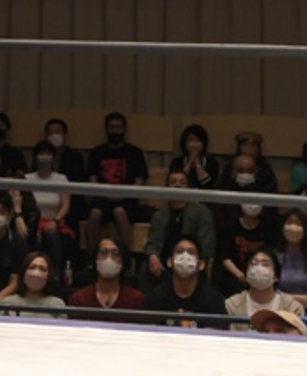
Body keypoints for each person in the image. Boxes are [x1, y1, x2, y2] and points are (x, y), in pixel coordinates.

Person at [140, 169, 215, 289]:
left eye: (182, 182)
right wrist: (153, 256)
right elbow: (153, 242)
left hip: (191, 261)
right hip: (164, 265)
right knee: (146, 268)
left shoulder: (202, 212)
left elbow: (206, 245)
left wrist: (193, 260)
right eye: (173, 182)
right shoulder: (159, 215)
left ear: (188, 188)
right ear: (167, 188)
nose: (178, 185)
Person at [85, 111, 148, 251]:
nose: (115, 131)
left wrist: (122, 195)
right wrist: (106, 195)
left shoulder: (135, 153)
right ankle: (91, 259)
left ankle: (125, 258)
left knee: (119, 212)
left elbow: (139, 182)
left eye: (118, 127)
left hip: (127, 201)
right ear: (106, 129)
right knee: (95, 214)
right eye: (112, 127)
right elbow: (92, 181)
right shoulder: (96, 153)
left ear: (124, 130)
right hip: (101, 199)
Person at [144, 235, 227, 328]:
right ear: (169, 262)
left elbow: (219, 332)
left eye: (191, 252)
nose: (185, 256)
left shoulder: (213, 300)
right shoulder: (155, 297)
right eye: (179, 251)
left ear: (201, 264)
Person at [223, 246, 305, 330]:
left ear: (276, 276)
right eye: (253, 264)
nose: (259, 268)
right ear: (246, 274)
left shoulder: (292, 307)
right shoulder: (232, 305)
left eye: (265, 264)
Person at [25, 139, 74, 277]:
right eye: (41, 154)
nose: (44, 157)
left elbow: (65, 205)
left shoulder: (61, 179)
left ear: (53, 158)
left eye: (48, 154)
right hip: (32, 223)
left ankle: (55, 276)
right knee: (35, 238)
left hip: (55, 223)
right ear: (35, 157)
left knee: (51, 235)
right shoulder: (27, 179)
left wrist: (55, 221)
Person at [68, 233, 144, 314]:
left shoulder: (136, 300)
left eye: (115, 254)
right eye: (103, 253)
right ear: (95, 259)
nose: (109, 259)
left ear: (123, 261)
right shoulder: (79, 300)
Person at [276, 208, 307, 309]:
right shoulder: (275, 256)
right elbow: (271, 291)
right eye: (289, 222)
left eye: (299, 223)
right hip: (279, 308)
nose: (293, 227)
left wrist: (287, 299)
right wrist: (305, 299)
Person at [168, 123, 219, 191]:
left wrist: (197, 164)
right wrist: (190, 162)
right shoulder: (177, 162)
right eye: (191, 140)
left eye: (198, 140)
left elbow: (209, 186)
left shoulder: (212, 163)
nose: (194, 144)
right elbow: (179, 181)